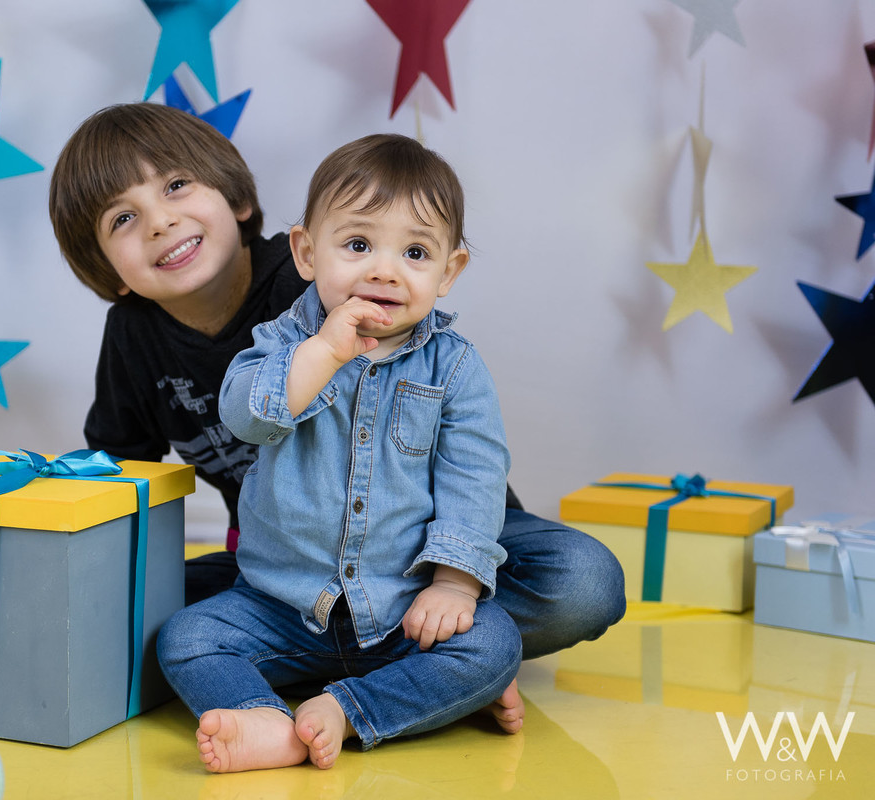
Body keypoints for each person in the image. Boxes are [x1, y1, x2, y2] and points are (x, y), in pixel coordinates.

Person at [47, 103, 625, 747]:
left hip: (437, 530)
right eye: (123, 219)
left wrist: (456, 581)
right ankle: (421, 678)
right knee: (131, 611)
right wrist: (107, 587)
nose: (161, 221)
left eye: (177, 185)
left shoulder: (326, 281)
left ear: (236, 199)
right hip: (290, 565)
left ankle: (439, 653)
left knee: (583, 580)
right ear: (105, 267)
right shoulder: (137, 335)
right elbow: (124, 470)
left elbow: (471, 463)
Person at [158, 132, 531, 771]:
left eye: (416, 252)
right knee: (186, 638)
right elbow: (245, 417)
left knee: (494, 645)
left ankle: (350, 711)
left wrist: (455, 585)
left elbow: (476, 474)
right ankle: (268, 724)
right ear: (306, 252)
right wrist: (324, 354)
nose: (384, 270)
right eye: (358, 245)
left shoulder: (457, 369)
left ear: (449, 271)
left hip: (398, 609)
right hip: (281, 607)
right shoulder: (280, 344)